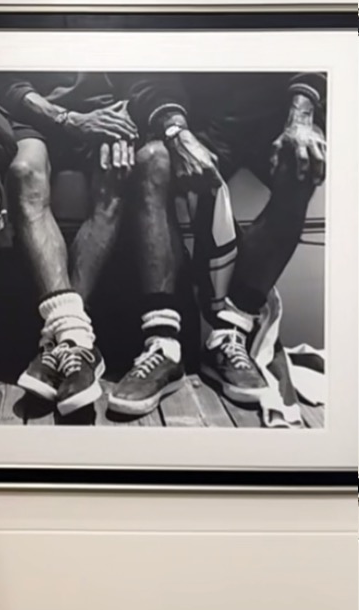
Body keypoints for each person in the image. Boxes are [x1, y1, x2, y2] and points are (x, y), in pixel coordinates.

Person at [123, 70, 327, 408]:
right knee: (151, 160)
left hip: (278, 116)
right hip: (199, 121)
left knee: (301, 159)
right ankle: (163, 343)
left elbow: (318, 50)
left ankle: (230, 334)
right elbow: (150, 72)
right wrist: (176, 131)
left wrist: (303, 117)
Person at [0, 72, 138, 415]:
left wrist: (124, 117)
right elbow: (4, 81)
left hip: (103, 112)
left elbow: (142, 74)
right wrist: (66, 118)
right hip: (33, 116)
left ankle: (64, 341)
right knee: (24, 171)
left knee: (115, 174)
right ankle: (77, 339)